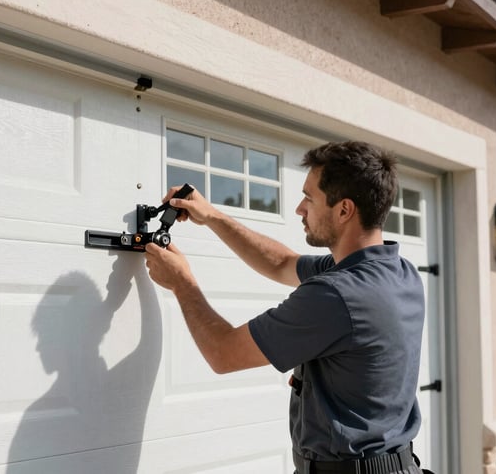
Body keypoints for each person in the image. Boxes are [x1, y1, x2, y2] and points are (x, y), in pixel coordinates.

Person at [144, 141, 426, 474]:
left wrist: (181, 282)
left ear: (344, 210)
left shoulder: (337, 295)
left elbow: (222, 353)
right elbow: (281, 263)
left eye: (310, 198)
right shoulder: (399, 272)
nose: (299, 209)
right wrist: (214, 217)